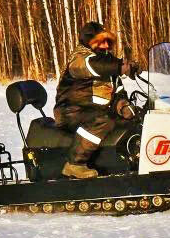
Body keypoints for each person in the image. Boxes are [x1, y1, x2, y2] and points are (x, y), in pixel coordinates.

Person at [54, 21, 139, 179]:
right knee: (104, 121)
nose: (105, 45)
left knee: (133, 120)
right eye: (100, 41)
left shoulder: (107, 61)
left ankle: (129, 164)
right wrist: (121, 67)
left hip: (92, 111)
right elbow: (92, 66)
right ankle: (74, 164)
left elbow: (118, 91)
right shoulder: (80, 58)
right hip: (70, 111)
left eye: (107, 40)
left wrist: (123, 106)